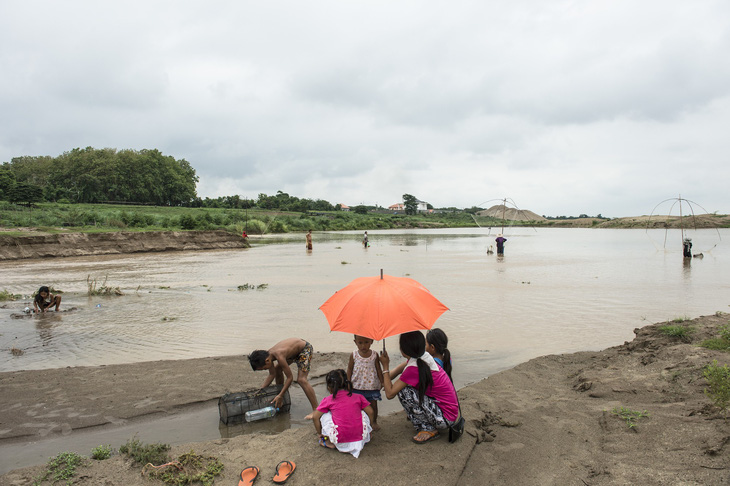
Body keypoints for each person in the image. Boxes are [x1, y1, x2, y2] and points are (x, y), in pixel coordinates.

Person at [380, 331, 459, 444]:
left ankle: (427, 428)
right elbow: (398, 370)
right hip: (449, 413)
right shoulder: (423, 357)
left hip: (445, 419)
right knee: (406, 386)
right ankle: (425, 420)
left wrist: (385, 366)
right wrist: (382, 381)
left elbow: (390, 393)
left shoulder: (413, 368)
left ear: (403, 350)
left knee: (404, 391)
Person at [248, 338, 318, 419]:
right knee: (277, 369)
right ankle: (280, 395)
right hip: (292, 353)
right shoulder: (267, 356)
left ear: (267, 361)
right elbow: (272, 374)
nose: (266, 369)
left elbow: (290, 378)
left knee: (301, 380)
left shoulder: (279, 356)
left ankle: (316, 410)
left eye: (264, 368)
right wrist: (262, 389)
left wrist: (280, 395)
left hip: (304, 349)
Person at [312, 369, 374, 458]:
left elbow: (315, 417)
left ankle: (325, 440)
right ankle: (368, 433)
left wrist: (319, 433)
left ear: (330, 388)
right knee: (363, 412)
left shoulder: (328, 400)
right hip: (360, 439)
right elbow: (371, 412)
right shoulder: (358, 397)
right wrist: (369, 427)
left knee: (324, 414)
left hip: (340, 441)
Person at [347, 335, 384, 430]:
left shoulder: (374, 355)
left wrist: (382, 382)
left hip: (372, 386)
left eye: (366, 342)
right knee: (357, 406)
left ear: (371, 341)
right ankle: (358, 422)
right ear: (355, 342)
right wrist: (348, 382)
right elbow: (350, 369)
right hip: (356, 386)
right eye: (360, 343)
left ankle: (374, 421)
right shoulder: (354, 355)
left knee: (373, 405)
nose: (363, 346)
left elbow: (378, 369)